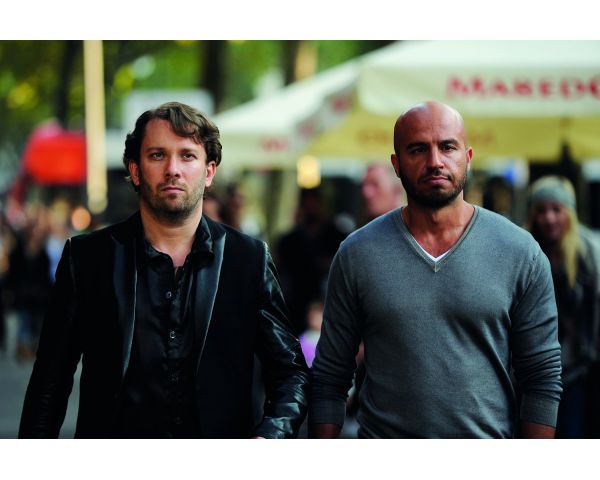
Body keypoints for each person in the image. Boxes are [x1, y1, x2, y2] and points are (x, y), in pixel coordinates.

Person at [19, 102, 309, 439]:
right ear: (136, 170)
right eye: (157, 155)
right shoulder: (87, 259)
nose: (173, 169)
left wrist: (270, 437)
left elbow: (291, 373)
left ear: (209, 172)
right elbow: (49, 382)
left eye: (187, 156)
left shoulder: (249, 259)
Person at [309, 101, 562, 439]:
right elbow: (330, 375)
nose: (435, 161)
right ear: (396, 165)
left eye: (447, 147)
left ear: (468, 158)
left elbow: (542, 377)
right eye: (417, 149)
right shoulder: (357, 254)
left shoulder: (520, 252)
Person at [527, 175, 600, 438]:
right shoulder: (525, 249)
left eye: (556, 209)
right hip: (532, 370)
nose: (549, 218)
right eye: (541, 210)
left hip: (580, 370)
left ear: (569, 212)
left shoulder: (589, 253)